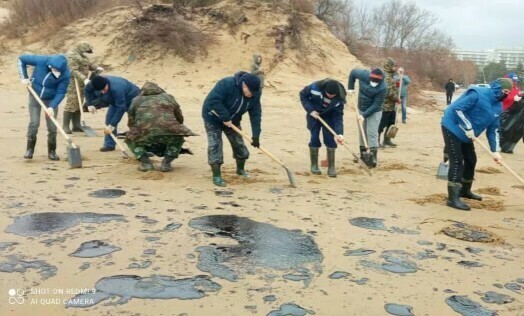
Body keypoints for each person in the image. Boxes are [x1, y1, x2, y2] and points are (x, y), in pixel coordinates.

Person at [440, 78, 510, 211]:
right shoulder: (477, 94)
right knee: (457, 160)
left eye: (508, 92)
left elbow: (493, 129)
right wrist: (468, 127)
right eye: (504, 91)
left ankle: (465, 190)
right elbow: (456, 109)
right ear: (497, 88)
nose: (505, 94)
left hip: (469, 135)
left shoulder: (498, 106)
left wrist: (495, 151)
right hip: (452, 126)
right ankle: (452, 198)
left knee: (471, 160)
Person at [202, 71, 262, 187]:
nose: (252, 95)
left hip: (233, 120)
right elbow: (213, 100)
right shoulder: (227, 84)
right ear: (244, 85)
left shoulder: (255, 94)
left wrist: (256, 135)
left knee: (239, 144)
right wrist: (225, 116)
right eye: (250, 92)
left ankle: (240, 170)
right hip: (212, 117)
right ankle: (217, 175)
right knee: (215, 145)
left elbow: (256, 115)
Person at [125, 82, 197, 172]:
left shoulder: (136, 100)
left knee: (130, 140)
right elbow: (178, 115)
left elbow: (131, 119)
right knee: (177, 139)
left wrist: (133, 131)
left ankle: (146, 163)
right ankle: (166, 163)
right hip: (169, 131)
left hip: (144, 132)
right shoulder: (168, 97)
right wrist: (177, 128)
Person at [18, 53, 71, 161]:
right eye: (54, 69)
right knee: (34, 123)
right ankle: (29, 150)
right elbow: (21, 59)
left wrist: (52, 106)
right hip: (35, 95)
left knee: (52, 126)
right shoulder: (41, 60)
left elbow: (61, 92)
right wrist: (24, 77)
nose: (55, 71)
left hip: (51, 99)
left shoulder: (65, 74)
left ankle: (52, 151)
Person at [300, 78, 346, 177]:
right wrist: (310, 110)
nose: (330, 96)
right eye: (329, 94)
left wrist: (340, 133)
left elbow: (338, 117)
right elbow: (303, 95)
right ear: (325, 89)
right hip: (314, 115)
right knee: (314, 137)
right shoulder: (315, 87)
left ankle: (331, 167)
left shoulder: (340, 97)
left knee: (330, 140)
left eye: (332, 95)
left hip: (329, 117)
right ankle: (314, 165)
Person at [84, 75, 140, 152]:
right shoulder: (94, 83)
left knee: (136, 123)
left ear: (106, 84)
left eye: (104, 89)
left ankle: (142, 148)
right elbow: (87, 90)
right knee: (109, 120)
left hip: (133, 98)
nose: (103, 92)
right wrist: (89, 104)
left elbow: (121, 108)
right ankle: (109, 144)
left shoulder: (116, 89)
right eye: (101, 91)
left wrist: (113, 124)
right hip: (115, 100)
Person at [348, 67, 387, 168]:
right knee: (362, 133)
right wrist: (350, 88)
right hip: (361, 108)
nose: (374, 82)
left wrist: (363, 115)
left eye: (377, 81)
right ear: (369, 77)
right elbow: (352, 73)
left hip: (374, 111)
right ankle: (363, 157)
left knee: (372, 133)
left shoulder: (383, 87)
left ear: (381, 79)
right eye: (372, 80)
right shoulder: (363, 74)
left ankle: (372, 159)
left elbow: (376, 105)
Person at [63, 41, 103, 134]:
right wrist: (83, 78)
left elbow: (87, 65)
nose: (87, 53)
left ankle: (76, 125)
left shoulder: (82, 55)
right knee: (71, 103)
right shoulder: (72, 55)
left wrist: (96, 68)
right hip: (73, 82)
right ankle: (65, 125)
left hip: (82, 83)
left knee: (79, 103)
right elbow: (73, 70)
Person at [378, 57, 400, 148]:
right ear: (389, 66)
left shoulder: (392, 76)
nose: (395, 68)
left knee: (391, 123)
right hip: (385, 105)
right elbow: (388, 92)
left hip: (392, 105)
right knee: (382, 124)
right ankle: (376, 140)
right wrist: (396, 98)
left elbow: (394, 88)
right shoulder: (386, 76)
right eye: (394, 66)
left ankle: (387, 140)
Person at [500, 72, 522, 154]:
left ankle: (506, 146)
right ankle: (498, 144)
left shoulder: (516, 88)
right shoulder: (504, 87)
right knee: (502, 128)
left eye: (516, 81)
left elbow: (516, 96)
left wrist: (520, 96)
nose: (515, 83)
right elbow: (503, 98)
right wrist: (514, 98)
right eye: (513, 81)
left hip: (510, 112)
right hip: (502, 111)